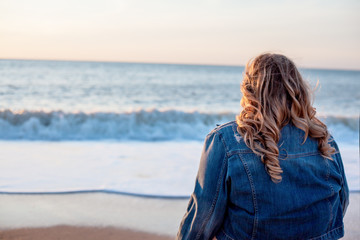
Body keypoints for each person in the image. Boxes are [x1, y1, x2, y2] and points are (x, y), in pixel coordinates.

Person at [176, 53, 349, 240]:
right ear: (298, 90)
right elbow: (341, 203)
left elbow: (202, 220)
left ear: (249, 91)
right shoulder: (323, 139)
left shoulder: (226, 140)